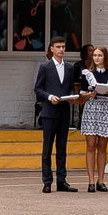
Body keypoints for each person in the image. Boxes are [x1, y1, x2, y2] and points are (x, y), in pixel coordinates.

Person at [31, 37, 78, 194]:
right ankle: (47, 181)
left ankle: (62, 180)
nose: (61, 49)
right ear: (52, 49)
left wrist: (70, 96)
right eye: (58, 47)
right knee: (47, 148)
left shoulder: (69, 68)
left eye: (63, 46)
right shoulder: (45, 67)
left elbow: (70, 87)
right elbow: (38, 89)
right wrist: (50, 97)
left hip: (64, 112)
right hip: (49, 112)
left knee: (62, 148)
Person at [78, 44, 108, 193]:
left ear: (105, 57)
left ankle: (101, 180)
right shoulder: (87, 73)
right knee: (90, 145)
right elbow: (82, 94)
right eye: (95, 55)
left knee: (102, 146)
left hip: (106, 108)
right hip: (92, 107)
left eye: (99, 55)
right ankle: (91, 181)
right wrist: (89, 94)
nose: (97, 58)